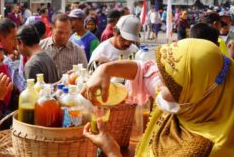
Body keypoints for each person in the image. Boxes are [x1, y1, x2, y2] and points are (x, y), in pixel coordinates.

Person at [82, 38, 234, 156]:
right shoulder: (190, 97)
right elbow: (143, 70)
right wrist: (105, 69)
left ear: (196, 96)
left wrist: (112, 151)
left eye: (167, 82)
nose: (159, 84)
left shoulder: (201, 149)